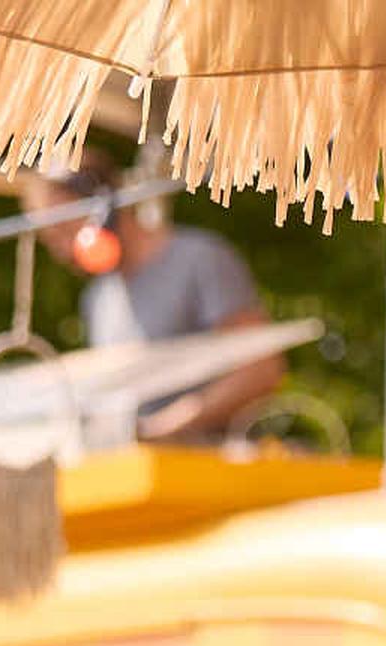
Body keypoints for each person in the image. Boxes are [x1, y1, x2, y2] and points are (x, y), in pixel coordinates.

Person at [22, 149, 283, 443]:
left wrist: (164, 427)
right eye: (51, 240)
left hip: (214, 470)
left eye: (65, 231)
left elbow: (261, 369)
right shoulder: (98, 299)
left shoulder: (200, 259)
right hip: (137, 473)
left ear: (105, 210)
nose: (61, 251)